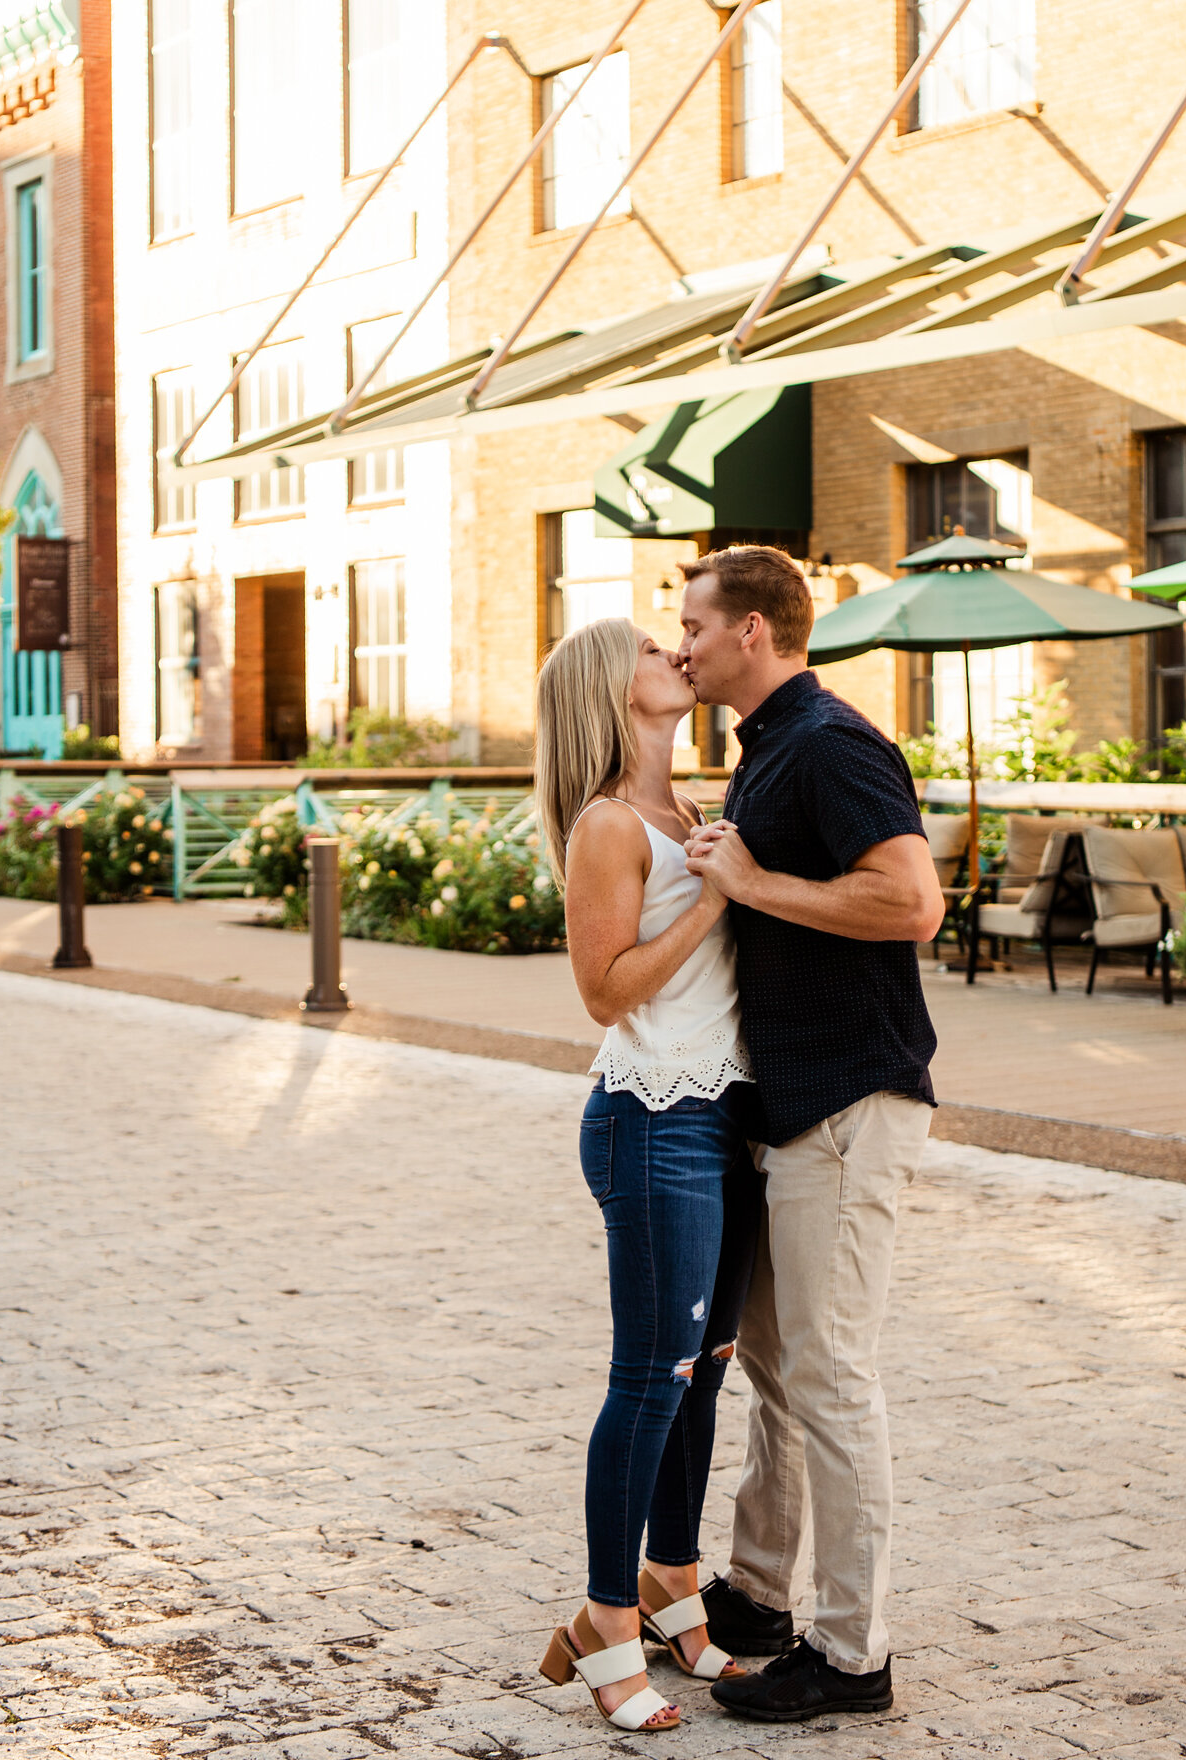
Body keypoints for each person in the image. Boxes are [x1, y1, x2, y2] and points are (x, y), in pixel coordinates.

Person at [678, 545, 945, 1725]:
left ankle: (852, 1653)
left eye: (691, 623)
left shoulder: (831, 741)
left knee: (831, 1377)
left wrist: (751, 881)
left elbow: (911, 899)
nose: (679, 644)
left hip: (848, 1102)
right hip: (789, 1111)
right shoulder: (767, 750)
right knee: (779, 1373)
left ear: (752, 631)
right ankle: (755, 1596)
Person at [533, 615, 759, 1734]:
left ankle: (674, 1580)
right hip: (649, 1121)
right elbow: (605, 989)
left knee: (704, 1368)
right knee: (647, 1378)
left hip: (723, 1116)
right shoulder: (609, 824)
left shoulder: (689, 809)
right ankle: (606, 1620)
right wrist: (718, 896)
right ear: (607, 690)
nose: (675, 649)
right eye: (647, 646)